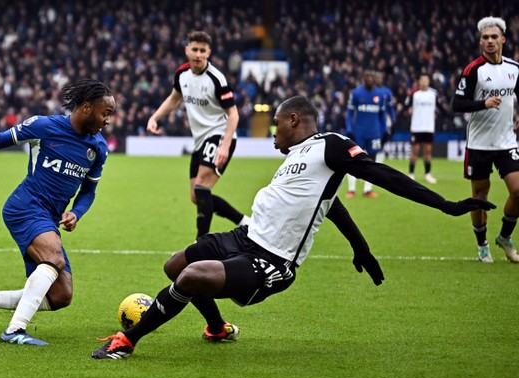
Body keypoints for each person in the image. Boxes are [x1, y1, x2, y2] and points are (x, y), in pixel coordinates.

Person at [92, 95, 495, 359]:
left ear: (294, 119)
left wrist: (445, 206)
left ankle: (126, 342)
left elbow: (382, 174)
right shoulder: (297, 156)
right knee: (175, 265)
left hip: (272, 262)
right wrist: (361, 247)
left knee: (193, 276)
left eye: (276, 126)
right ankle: (217, 329)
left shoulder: (331, 145)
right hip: (244, 238)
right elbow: (330, 206)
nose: (272, 133)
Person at [0, 79, 116, 345]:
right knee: (54, 258)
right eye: (105, 113)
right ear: (86, 107)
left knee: (61, 295)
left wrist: (77, 212)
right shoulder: (45, 126)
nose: (108, 120)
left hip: (49, 217)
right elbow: (1, 138)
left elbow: (89, 191)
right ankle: (14, 330)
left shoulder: (98, 148)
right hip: (26, 206)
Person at [146, 31, 249, 238]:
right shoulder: (182, 74)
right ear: (187, 50)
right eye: (195, 49)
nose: (198, 54)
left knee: (201, 188)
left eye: (203, 51)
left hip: (219, 135)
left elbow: (233, 114)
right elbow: (174, 99)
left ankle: (200, 243)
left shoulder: (216, 79)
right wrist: (154, 118)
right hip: (201, 141)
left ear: (209, 53)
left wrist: (225, 146)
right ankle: (245, 223)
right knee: (197, 196)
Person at [453, 16, 519, 264]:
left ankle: (504, 237)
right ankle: (482, 245)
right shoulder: (473, 70)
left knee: (518, 190)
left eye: (494, 37)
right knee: (480, 197)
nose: (490, 41)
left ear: (503, 39)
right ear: (480, 42)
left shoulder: (514, 68)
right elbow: (456, 104)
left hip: (506, 142)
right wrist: (483, 103)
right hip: (479, 144)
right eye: (485, 38)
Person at [345, 70, 386, 198]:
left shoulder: (379, 95)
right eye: (367, 76)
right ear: (363, 78)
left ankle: (367, 190)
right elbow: (349, 113)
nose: (369, 78)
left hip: (374, 133)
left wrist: (384, 131)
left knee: (371, 162)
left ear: (374, 79)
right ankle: (351, 190)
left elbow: (382, 115)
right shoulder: (356, 93)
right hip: (359, 133)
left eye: (371, 76)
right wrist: (349, 129)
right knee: (353, 160)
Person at [406, 74, 441, 184]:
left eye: (426, 80)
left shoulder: (433, 94)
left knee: (427, 151)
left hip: (429, 127)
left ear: (429, 81)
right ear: (419, 81)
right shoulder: (414, 94)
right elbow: (406, 106)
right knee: (415, 151)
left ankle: (427, 174)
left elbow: (439, 108)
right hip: (416, 127)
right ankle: (411, 174)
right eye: (422, 80)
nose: (424, 82)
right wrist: (408, 111)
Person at [374, 71, 396, 164]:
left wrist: (393, 119)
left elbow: (390, 108)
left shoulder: (387, 92)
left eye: (380, 78)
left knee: (385, 135)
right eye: (377, 77)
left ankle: (380, 151)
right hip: (373, 118)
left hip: (384, 118)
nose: (379, 79)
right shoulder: (371, 91)